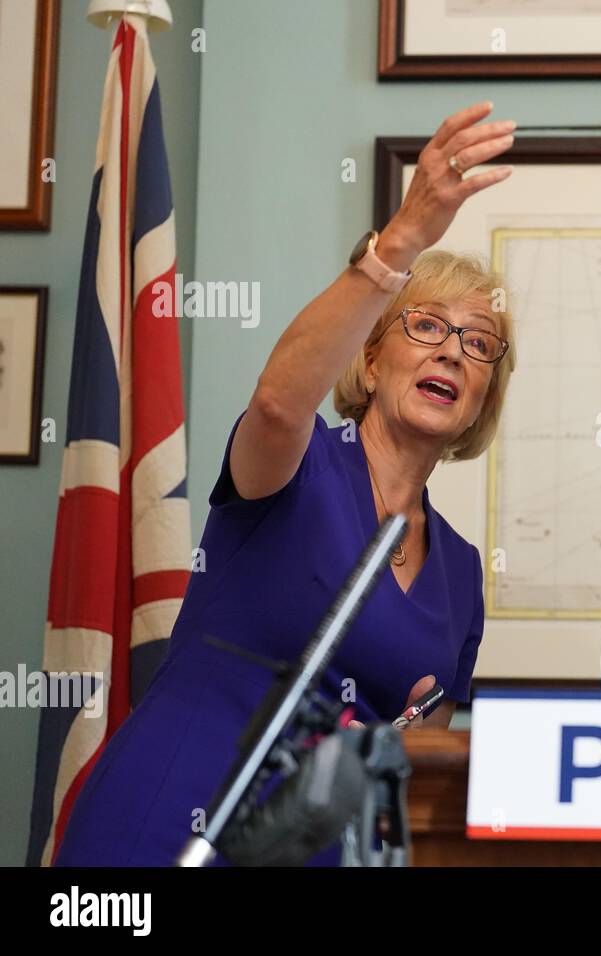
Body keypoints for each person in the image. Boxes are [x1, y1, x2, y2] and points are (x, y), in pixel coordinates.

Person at [54, 102, 518, 866]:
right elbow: (275, 401)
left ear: (483, 398)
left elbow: (419, 753)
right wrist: (400, 240)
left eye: (478, 343)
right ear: (370, 363)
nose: (453, 353)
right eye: (425, 327)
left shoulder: (463, 574)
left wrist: (396, 745)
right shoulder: (297, 462)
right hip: (169, 816)